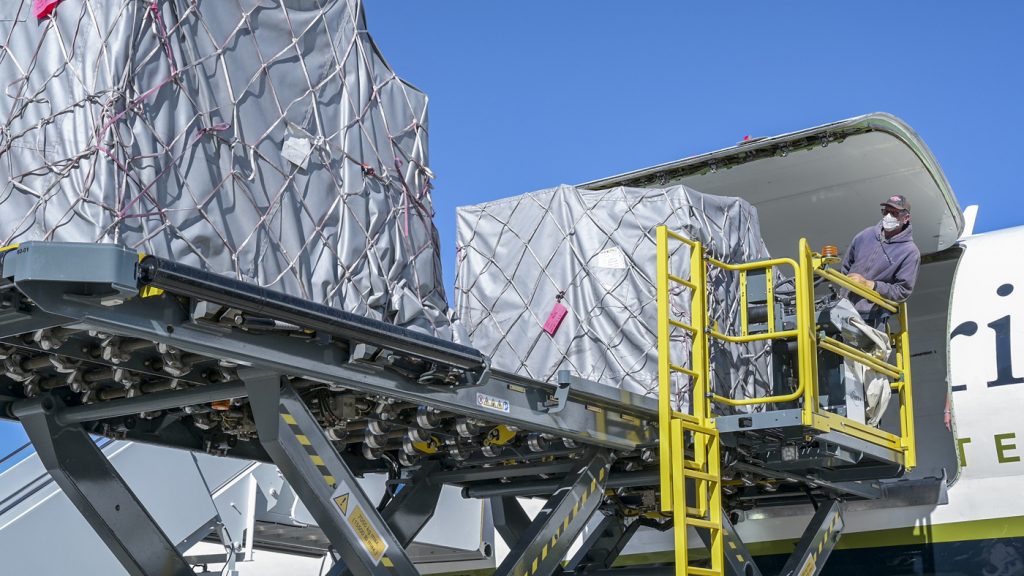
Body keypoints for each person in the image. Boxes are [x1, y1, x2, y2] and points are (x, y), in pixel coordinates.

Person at [840, 194, 921, 327]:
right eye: (886, 211)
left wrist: (870, 285)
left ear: (906, 218)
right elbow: (846, 267)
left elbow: (902, 291)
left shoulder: (910, 252)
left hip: (872, 317)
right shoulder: (865, 235)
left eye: (894, 213)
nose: (888, 216)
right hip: (843, 307)